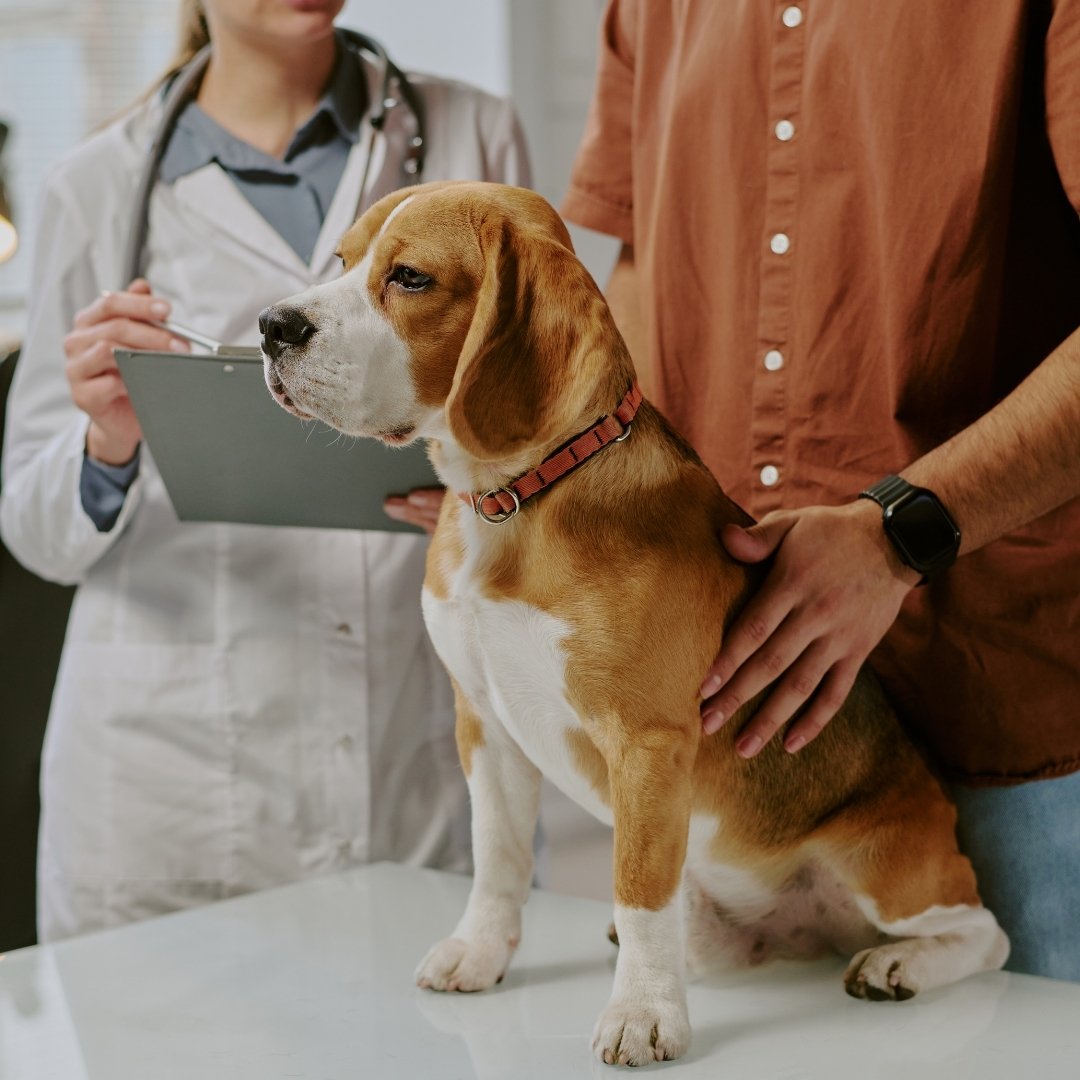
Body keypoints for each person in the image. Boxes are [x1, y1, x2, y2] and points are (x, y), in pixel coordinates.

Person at [563, 0, 1080, 980]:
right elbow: (643, 267)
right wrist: (548, 471)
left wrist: (899, 534)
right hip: (734, 738)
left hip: (1003, 705)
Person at [0, 0, 529, 942]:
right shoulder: (93, 185)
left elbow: (538, 414)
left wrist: (483, 490)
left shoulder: (470, 131)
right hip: (171, 783)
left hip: (406, 744)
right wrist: (107, 440)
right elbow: (36, 529)